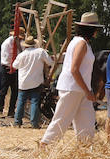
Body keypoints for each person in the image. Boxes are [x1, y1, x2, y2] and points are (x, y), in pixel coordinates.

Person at [40, 12, 104, 145]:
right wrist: (87, 91)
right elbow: (74, 69)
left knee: (87, 120)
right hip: (73, 88)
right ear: (91, 30)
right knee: (62, 119)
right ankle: (45, 145)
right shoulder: (81, 44)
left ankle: (86, 146)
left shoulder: (80, 43)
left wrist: (86, 90)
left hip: (79, 88)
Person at [11, 36, 51, 128]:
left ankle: (17, 122)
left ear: (25, 46)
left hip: (23, 82)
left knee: (21, 102)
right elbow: (50, 62)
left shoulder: (21, 55)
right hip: (36, 82)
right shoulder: (40, 52)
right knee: (34, 102)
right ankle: (34, 123)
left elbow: (14, 66)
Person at [0, 25, 23, 118]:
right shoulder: (7, 43)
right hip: (6, 67)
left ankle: (11, 111)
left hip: (15, 68)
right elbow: (7, 57)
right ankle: (0, 110)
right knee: (3, 90)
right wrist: (12, 66)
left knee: (15, 91)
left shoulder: (19, 43)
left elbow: (22, 54)